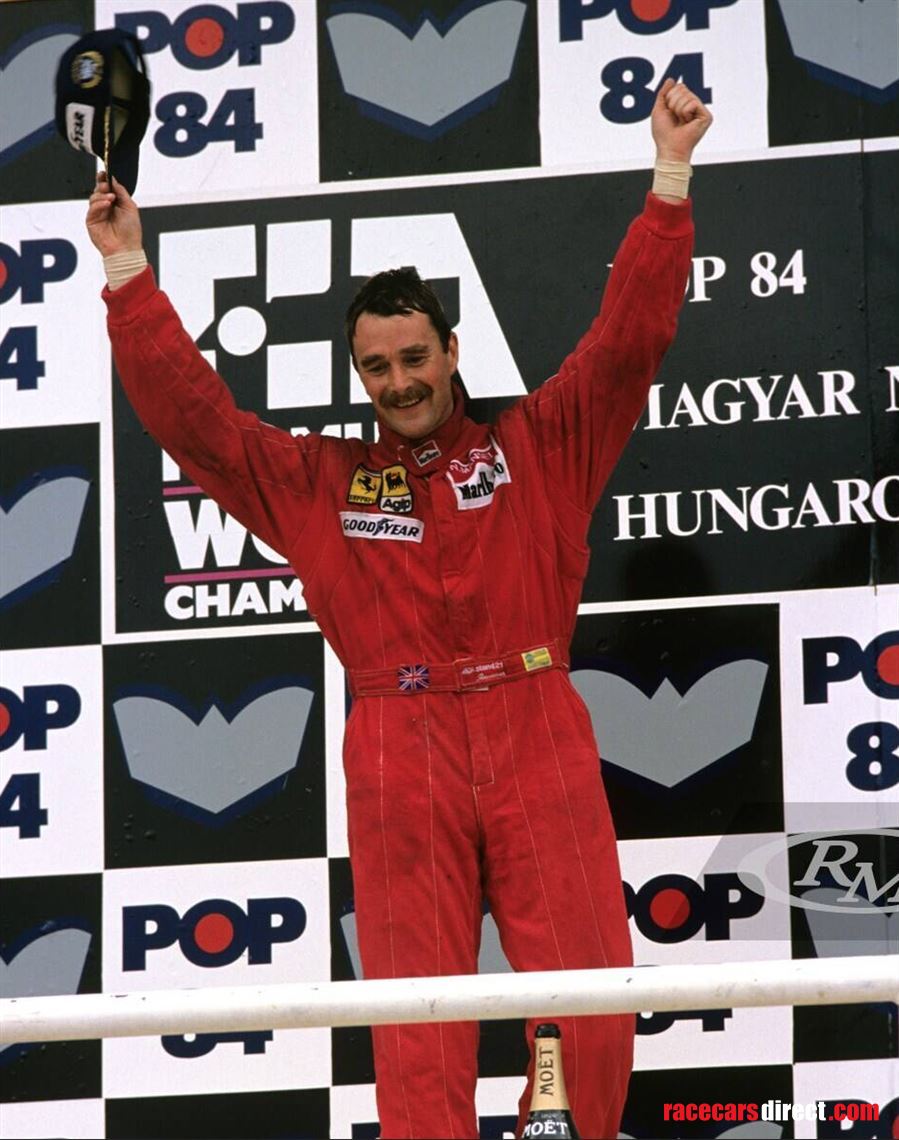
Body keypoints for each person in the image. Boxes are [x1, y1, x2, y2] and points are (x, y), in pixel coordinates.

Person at [86, 79, 711, 1140]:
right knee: (413, 1020)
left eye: (414, 358)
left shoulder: (538, 446)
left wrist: (668, 179)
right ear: (358, 375)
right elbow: (196, 424)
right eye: (375, 367)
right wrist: (127, 271)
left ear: (451, 353)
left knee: (587, 999)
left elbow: (626, 343)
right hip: (398, 739)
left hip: (531, 720)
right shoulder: (322, 483)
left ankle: (562, 1126)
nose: (398, 381)